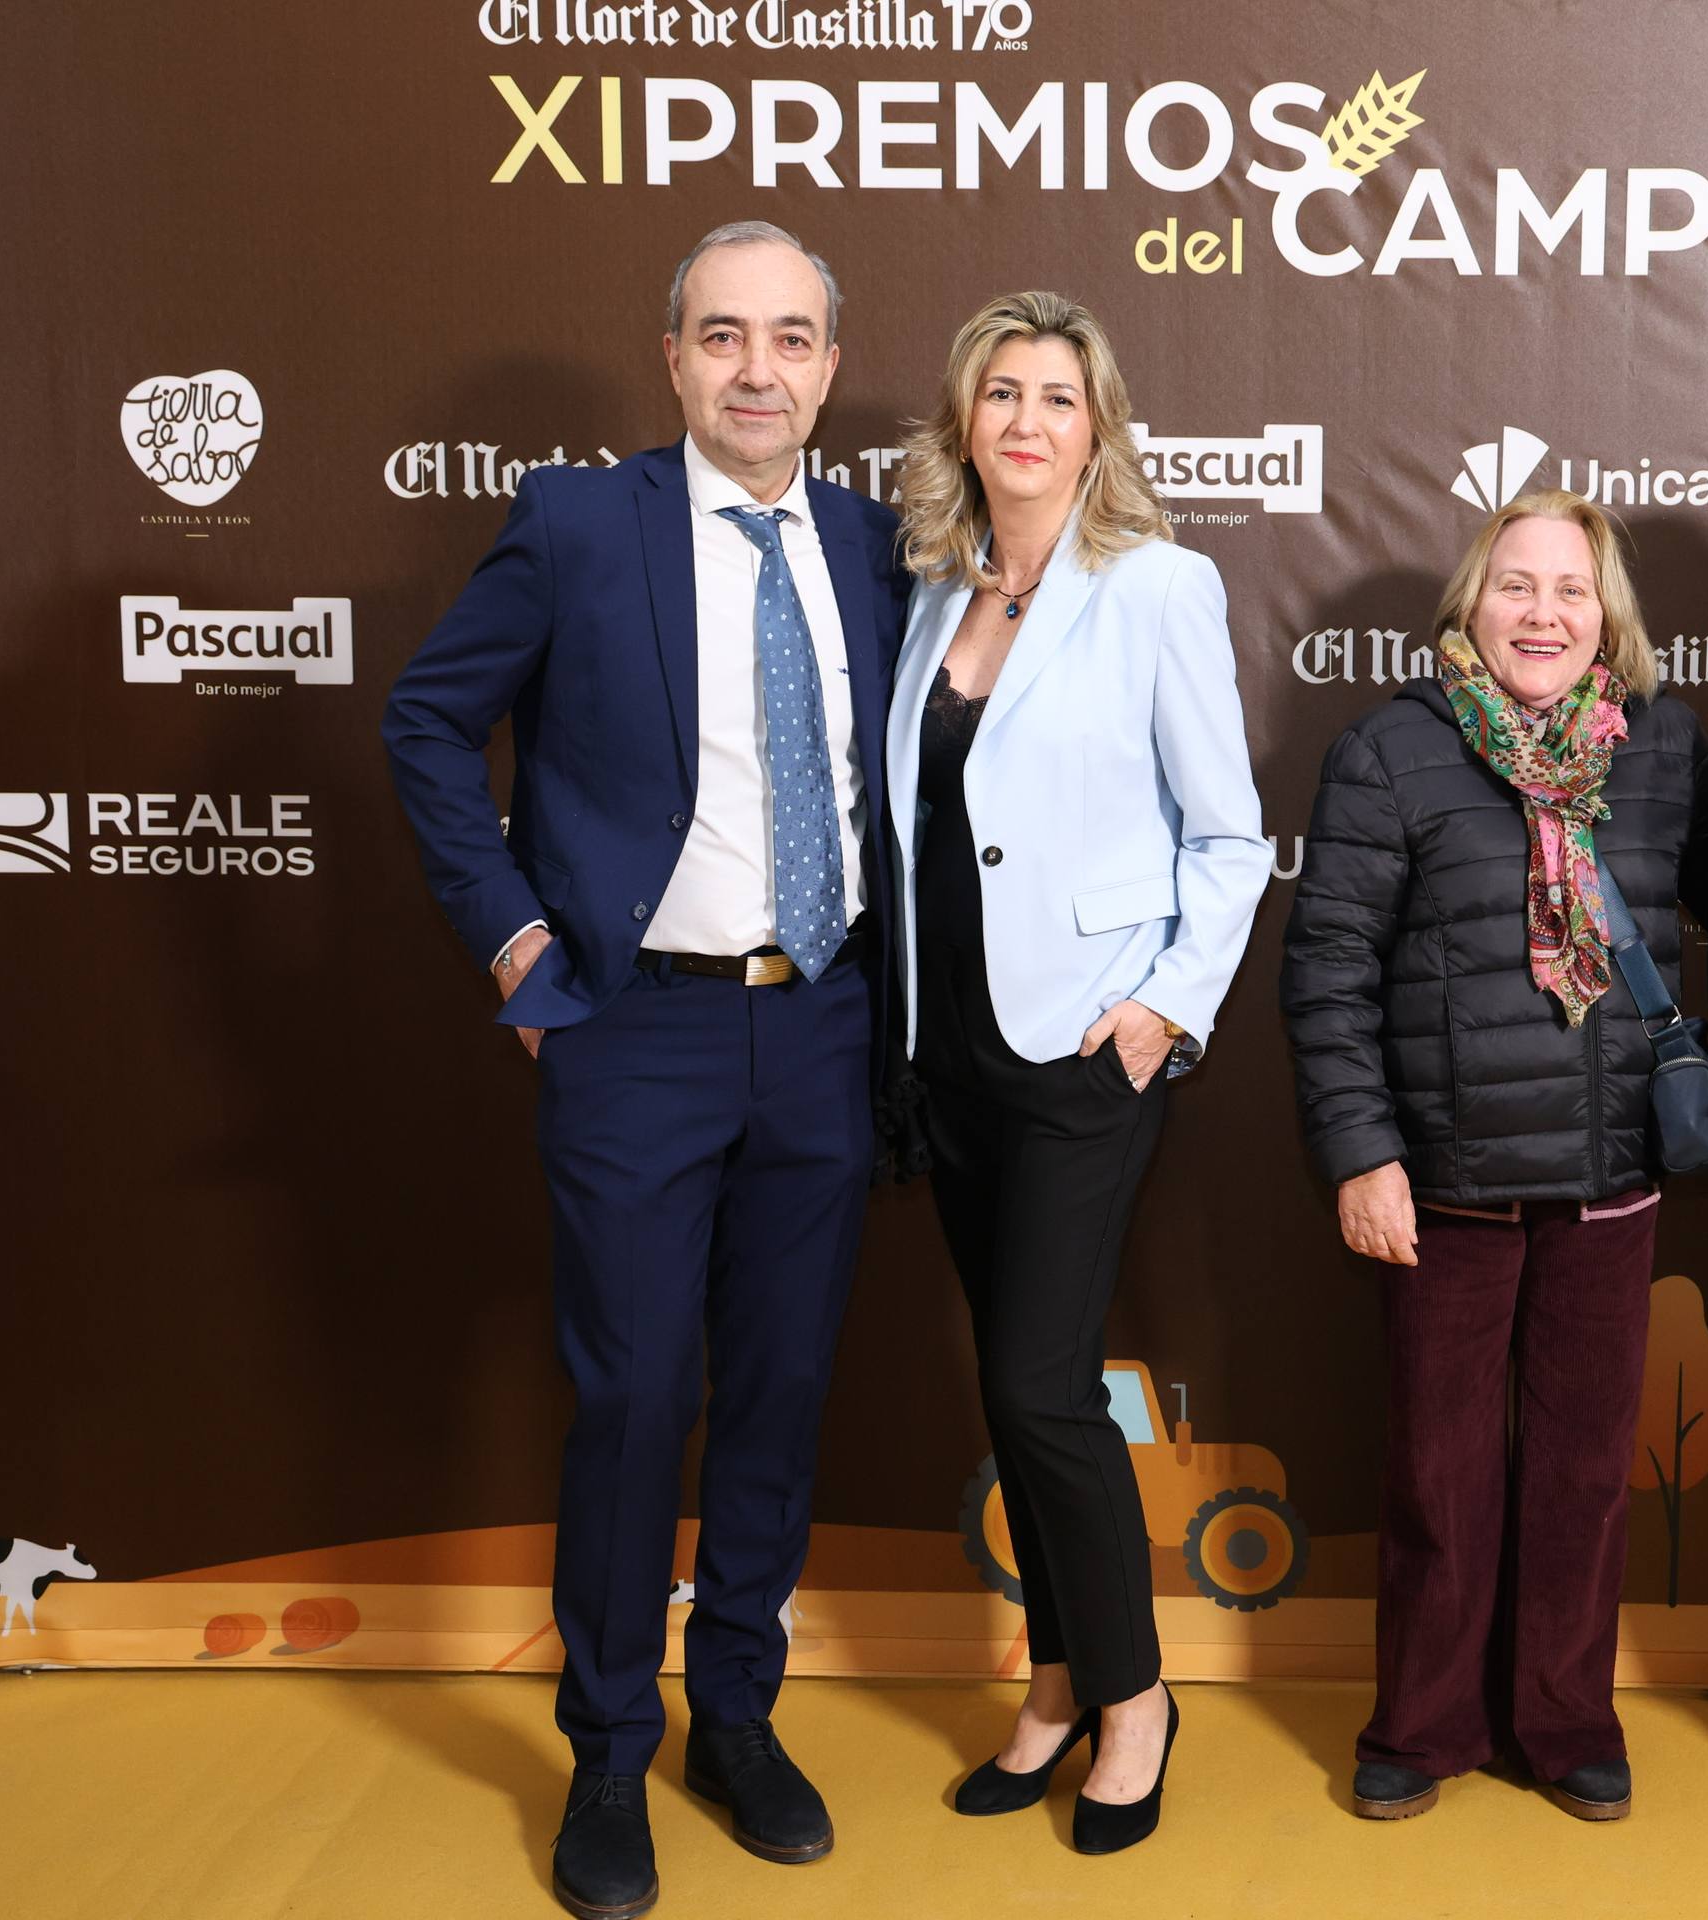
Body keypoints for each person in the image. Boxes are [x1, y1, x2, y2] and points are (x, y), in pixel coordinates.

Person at [382, 222, 910, 1920]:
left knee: (776, 1388)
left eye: (790, 338)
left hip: (823, 1024)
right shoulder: (575, 524)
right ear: (671, 358)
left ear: (830, 363)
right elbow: (423, 723)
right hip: (636, 1033)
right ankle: (609, 1747)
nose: (758, 368)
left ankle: (734, 1718)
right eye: (722, 336)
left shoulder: (878, 541)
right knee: (629, 1399)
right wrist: (519, 946)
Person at [884, 290, 1268, 1854]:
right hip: (948, 1054)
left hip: (1085, 1048)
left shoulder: (1157, 586)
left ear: (1095, 427)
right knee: (1007, 1381)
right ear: (964, 425)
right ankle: (1050, 1681)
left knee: (1043, 1387)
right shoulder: (931, 595)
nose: (1027, 420)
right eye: (1000, 394)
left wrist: (1164, 1010)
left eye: (1057, 394)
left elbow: (1229, 834)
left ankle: (1132, 1701)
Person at [1280, 490, 1708, 1824]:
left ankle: (1564, 1719)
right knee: (1436, 1473)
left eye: (1569, 592)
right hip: (1444, 1180)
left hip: (1609, 1176)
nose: (1541, 612)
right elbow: (1328, 974)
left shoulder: (1663, 753)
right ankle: (1419, 1730)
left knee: (1585, 1472)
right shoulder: (1389, 755)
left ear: (1607, 622)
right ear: (1470, 606)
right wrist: (1360, 1156)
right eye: (1516, 586)